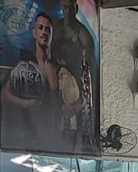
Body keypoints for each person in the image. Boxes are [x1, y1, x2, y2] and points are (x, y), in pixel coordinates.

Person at [1, 11, 82, 152]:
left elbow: (83, 100)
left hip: (60, 140)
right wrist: (24, 103)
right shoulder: (24, 65)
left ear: (52, 35)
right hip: (32, 141)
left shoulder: (61, 67)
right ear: (34, 33)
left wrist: (73, 108)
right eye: (40, 28)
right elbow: (4, 94)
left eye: (47, 29)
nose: (44, 32)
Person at [52, 0, 98, 152]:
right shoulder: (56, 27)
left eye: (69, 7)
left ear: (75, 8)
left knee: (79, 123)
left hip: (78, 81)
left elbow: (89, 63)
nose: (66, 10)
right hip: (58, 78)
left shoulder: (82, 33)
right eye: (63, 7)